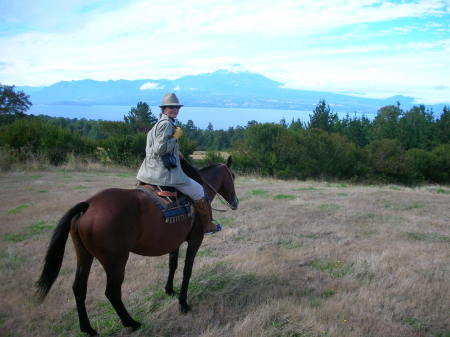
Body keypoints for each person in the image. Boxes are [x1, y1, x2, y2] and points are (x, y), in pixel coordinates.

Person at [136, 93, 220, 233]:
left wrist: (176, 153)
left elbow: (154, 148)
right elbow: (160, 149)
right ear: (164, 109)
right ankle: (207, 225)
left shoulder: (157, 124)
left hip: (147, 173)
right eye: (171, 107)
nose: (175, 110)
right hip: (163, 174)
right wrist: (175, 137)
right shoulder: (166, 124)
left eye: (177, 107)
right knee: (199, 191)